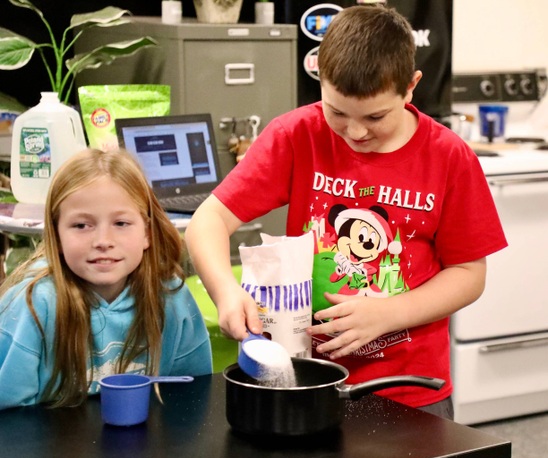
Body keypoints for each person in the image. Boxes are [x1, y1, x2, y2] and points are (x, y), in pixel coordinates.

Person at [185, 6, 507, 419]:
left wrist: (390, 313)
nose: (355, 133)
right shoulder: (296, 135)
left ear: (411, 87)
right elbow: (208, 221)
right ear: (319, 74)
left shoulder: (448, 156)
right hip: (307, 381)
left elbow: (468, 275)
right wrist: (225, 293)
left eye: (375, 117)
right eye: (337, 112)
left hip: (410, 390)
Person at [0, 148, 212, 410]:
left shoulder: (170, 296)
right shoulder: (34, 304)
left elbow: (191, 393)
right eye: (81, 225)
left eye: (121, 223)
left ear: (146, 232)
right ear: (57, 236)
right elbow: (9, 420)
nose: (103, 242)